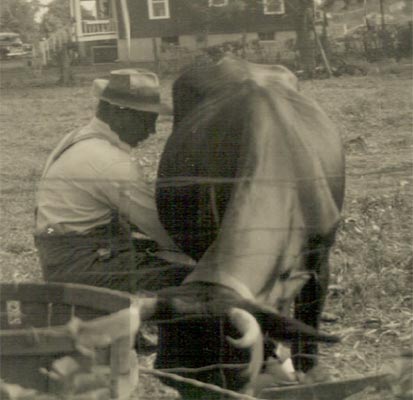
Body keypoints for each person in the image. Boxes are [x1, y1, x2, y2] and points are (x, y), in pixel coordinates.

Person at [34, 68, 194, 293]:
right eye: (146, 120)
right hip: (83, 265)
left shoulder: (77, 138)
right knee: (190, 279)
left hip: (62, 256)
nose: (152, 131)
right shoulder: (110, 162)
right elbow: (161, 229)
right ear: (119, 112)